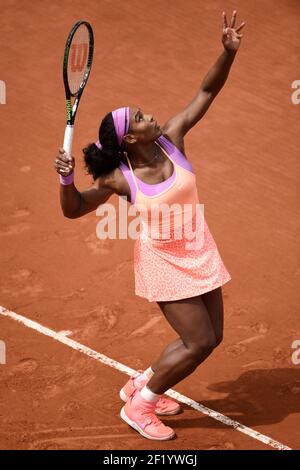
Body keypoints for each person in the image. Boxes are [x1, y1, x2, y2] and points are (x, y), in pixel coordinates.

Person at [53, 10, 246, 441]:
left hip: (199, 248)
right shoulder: (119, 178)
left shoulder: (172, 139)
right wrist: (66, 178)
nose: (150, 116)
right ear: (129, 139)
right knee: (195, 343)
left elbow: (206, 90)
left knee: (211, 339)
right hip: (164, 261)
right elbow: (73, 209)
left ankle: (141, 383)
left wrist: (226, 53)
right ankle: (140, 406)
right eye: (139, 117)